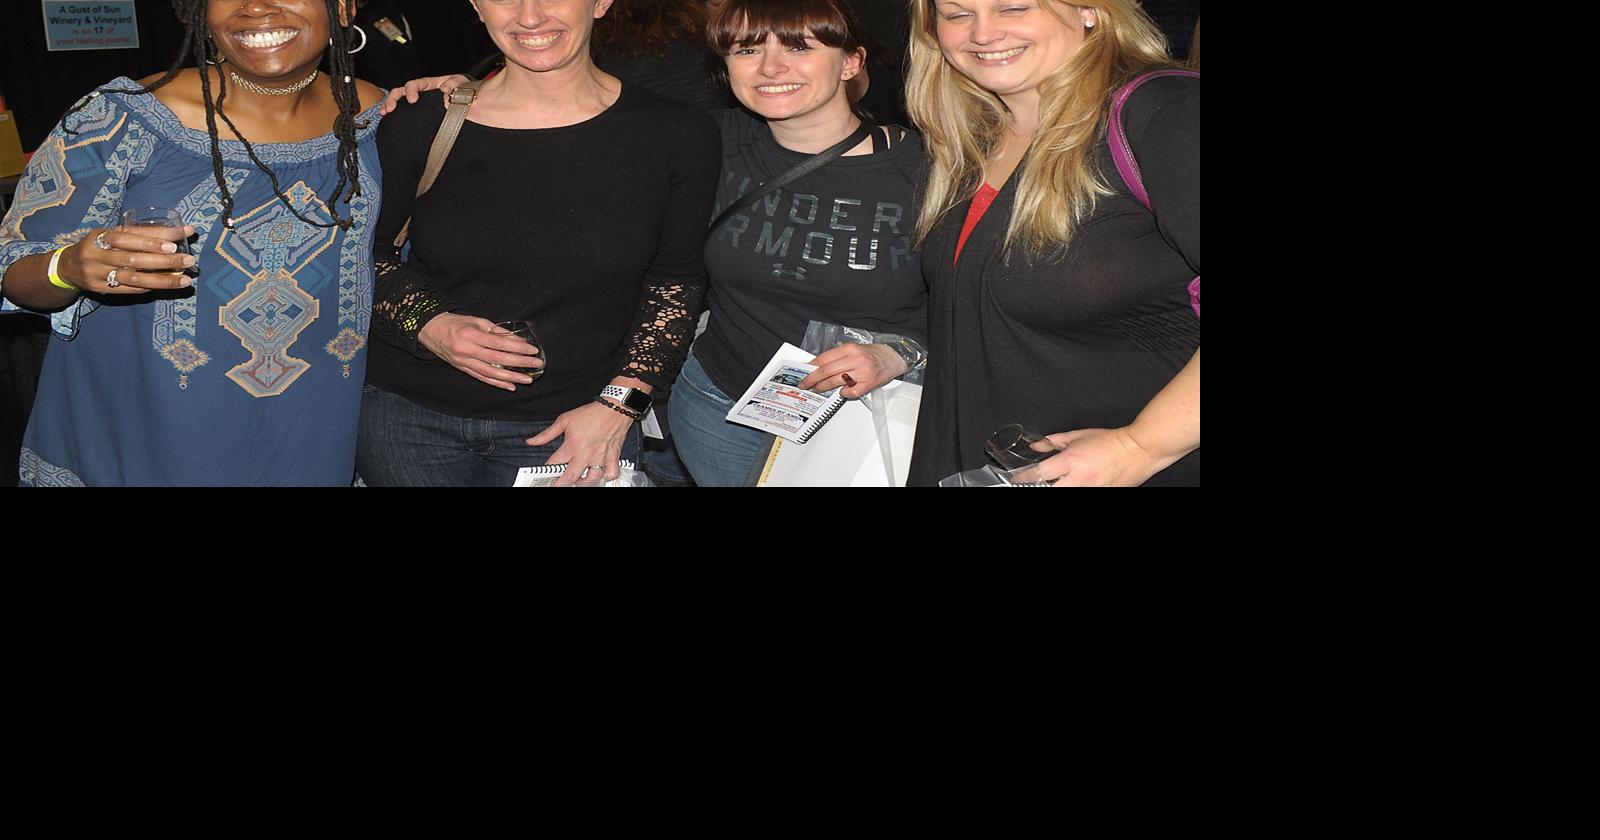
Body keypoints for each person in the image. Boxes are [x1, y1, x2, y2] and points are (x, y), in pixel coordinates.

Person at [0, 0, 384, 486]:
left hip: (314, 435)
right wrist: (66, 267)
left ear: (345, 7)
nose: (257, 6)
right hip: (144, 439)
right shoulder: (121, 119)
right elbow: (12, 269)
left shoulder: (382, 118)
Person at [358, 0, 721, 486]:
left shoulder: (676, 132)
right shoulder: (423, 119)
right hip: (408, 421)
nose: (530, 17)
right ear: (476, 7)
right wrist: (430, 324)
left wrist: (622, 406)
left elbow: (675, 285)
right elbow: (363, 255)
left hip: (580, 426)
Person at [904, 0, 1199, 487]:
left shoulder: (1166, 113)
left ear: (1088, 9)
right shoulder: (971, 138)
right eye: (957, 14)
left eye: (1013, 7)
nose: (983, 33)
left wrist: (1140, 445)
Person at [667, 0, 929, 486]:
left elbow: (981, 305)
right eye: (747, 49)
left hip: (858, 421)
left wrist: (898, 354)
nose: (770, 67)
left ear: (851, 61)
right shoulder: (709, 143)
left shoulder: (927, 170)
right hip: (719, 412)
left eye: (798, 46)